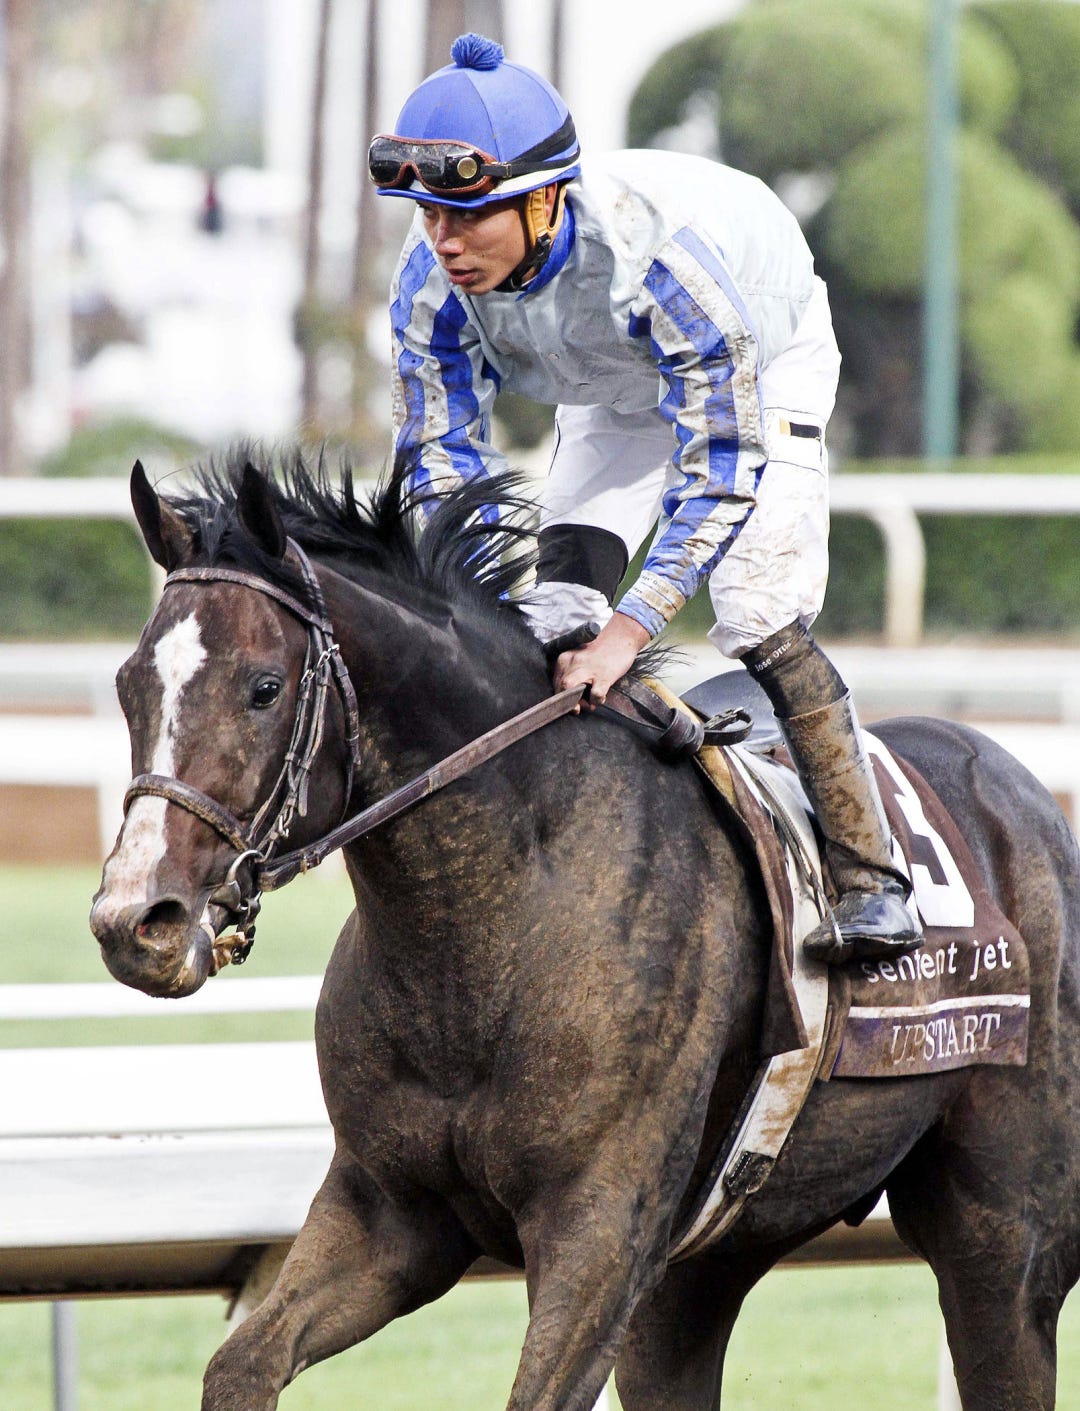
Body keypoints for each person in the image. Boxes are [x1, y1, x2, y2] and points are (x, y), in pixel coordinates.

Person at [368, 32, 921, 966]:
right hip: (612, 386)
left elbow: (718, 470)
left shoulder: (662, 262)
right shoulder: (428, 285)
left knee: (754, 611)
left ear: (544, 197)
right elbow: (438, 464)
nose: (444, 242)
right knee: (555, 610)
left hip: (761, 360)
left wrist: (628, 633)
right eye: (428, 215)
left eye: (469, 215)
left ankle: (872, 877)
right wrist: (479, 607)